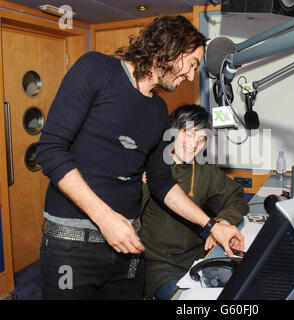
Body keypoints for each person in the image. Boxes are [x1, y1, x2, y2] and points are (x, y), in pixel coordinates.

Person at [36, 15, 243, 300]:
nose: (191, 77)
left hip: (129, 250)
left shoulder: (158, 110)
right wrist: (105, 218)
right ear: (171, 46)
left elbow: (160, 181)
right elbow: (49, 150)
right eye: (193, 64)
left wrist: (211, 225)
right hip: (73, 246)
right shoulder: (95, 69)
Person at [141, 104, 249, 300]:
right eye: (189, 134)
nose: (194, 144)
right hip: (159, 267)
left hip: (199, 258)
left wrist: (223, 221)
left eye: (202, 139)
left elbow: (236, 197)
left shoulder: (204, 170)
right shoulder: (152, 168)